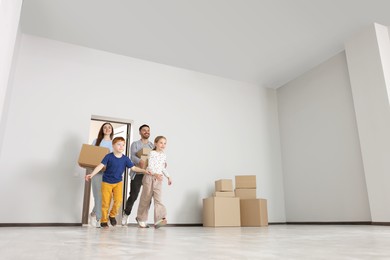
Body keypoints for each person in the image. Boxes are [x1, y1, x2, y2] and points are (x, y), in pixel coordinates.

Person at [85, 137, 150, 228]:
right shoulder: (108, 156)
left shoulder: (125, 159)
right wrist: (91, 174)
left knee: (118, 201)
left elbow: (133, 168)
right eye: (118, 144)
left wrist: (144, 171)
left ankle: (112, 215)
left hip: (118, 183)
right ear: (113, 146)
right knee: (105, 202)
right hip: (106, 182)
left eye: (123, 145)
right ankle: (104, 221)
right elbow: (100, 166)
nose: (121, 146)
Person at [136, 136, 172, 229]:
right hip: (149, 177)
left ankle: (159, 221)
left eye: (164, 143)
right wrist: (155, 174)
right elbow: (150, 166)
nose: (163, 145)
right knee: (146, 199)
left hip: (158, 179)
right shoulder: (152, 153)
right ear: (155, 143)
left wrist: (168, 177)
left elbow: (163, 167)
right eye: (161, 142)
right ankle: (141, 218)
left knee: (158, 200)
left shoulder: (164, 155)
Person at [121, 124, 154, 226]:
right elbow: (132, 156)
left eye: (148, 130)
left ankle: (141, 218)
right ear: (140, 132)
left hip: (148, 174)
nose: (146, 132)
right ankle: (126, 213)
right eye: (144, 130)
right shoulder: (135, 144)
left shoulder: (152, 146)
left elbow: (155, 157)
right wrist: (140, 161)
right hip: (138, 173)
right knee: (134, 195)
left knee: (147, 197)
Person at [90, 122, 113, 228]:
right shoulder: (96, 141)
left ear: (112, 130)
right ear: (102, 130)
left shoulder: (114, 143)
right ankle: (100, 219)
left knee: (106, 197)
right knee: (98, 196)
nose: (107, 129)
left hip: (109, 173)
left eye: (109, 127)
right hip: (97, 172)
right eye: (105, 127)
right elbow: (91, 155)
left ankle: (93, 213)